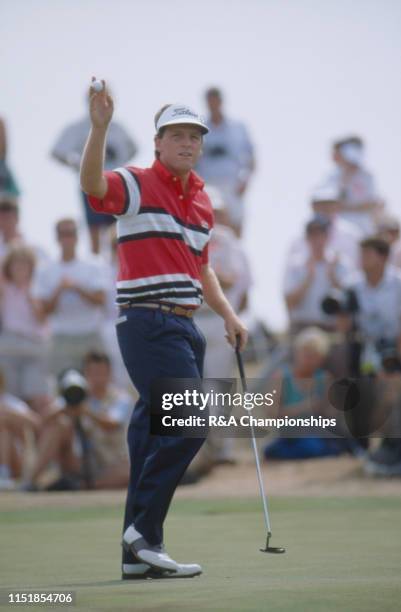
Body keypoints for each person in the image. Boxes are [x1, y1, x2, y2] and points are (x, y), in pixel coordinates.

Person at [80, 80, 248, 580]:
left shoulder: (201, 201)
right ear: (158, 142)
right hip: (148, 321)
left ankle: (136, 556)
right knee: (191, 423)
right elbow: (92, 185)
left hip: (185, 327)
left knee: (149, 441)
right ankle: (144, 533)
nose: (187, 143)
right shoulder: (135, 181)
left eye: (194, 136)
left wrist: (229, 314)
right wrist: (100, 128)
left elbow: (202, 268)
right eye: (176, 135)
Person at [27, 351, 132, 491]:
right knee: (59, 426)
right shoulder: (75, 394)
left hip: (110, 464)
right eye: (92, 372)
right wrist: (65, 405)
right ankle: (29, 481)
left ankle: (81, 486)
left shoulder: (121, 398)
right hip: (80, 461)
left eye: (101, 372)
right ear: (85, 374)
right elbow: (42, 421)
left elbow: (112, 424)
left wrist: (86, 411)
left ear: (109, 373)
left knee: (129, 471)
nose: (97, 377)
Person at [51, 91, 138, 253]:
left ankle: (117, 261)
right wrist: (77, 163)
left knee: (118, 227)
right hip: (91, 183)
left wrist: (122, 163)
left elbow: (133, 148)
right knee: (95, 227)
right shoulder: (78, 127)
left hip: (116, 183)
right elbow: (57, 152)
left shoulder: (119, 127)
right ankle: (97, 259)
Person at [33, 218, 107, 378]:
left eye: (71, 233)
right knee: (62, 388)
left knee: (96, 385)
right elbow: (44, 312)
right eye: (64, 234)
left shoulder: (94, 264)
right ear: (57, 238)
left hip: (90, 334)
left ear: (77, 237)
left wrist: (76, 287)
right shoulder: (45, 269)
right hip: (61, 337)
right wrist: (59, 290)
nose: (68, 238)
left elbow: (101, 300)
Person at [196, 87, 255, 236]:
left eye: (216, 100)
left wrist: (245, 181)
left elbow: (251, 158)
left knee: (235, 228)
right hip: (208, 185)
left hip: (232, 185)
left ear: (221, 101)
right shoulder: (198, 128)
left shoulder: (238, 127)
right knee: (205, 226)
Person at [0, 245, 50, 414]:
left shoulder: (38, 289)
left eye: (24, 263)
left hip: (34, 347)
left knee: (36, 399)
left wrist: (30, 294)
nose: (20, 268)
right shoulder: (4, 289)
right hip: (9, 347)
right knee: (10, 398)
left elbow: (41, 318)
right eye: (16, 263)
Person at [284, 215, 351, 335]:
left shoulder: (341, 264)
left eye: (320, 234)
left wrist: (332, 277)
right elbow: (289, 303)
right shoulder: (295, 265)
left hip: (332, 328)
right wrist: (308, 279)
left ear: (327, 236)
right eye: (312, 235)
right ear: (306, 238)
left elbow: (349, 302)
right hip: (302, 327)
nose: (316, 239)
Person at [325, 136, 383, 236]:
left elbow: (372, 204)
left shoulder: (367, 176)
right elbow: (330, 204)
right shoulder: (333, 177)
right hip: (339, 228)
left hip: (363, 228)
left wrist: (344, 207)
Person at [0, 370, 39, 490]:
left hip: (16, 458)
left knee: (3, 428)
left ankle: (4, 474)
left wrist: (7, 412)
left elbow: (36, 423)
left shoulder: (12, 403)